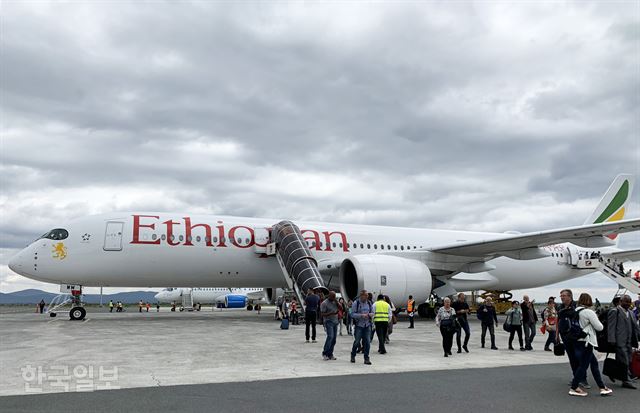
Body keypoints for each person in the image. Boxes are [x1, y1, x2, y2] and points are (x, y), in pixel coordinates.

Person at [569, 293, 613, 397]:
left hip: (577, 340)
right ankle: (574, 387)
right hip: (587, 341)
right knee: (583, 366)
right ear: (589, 301)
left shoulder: (575, 311)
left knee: (593, 363)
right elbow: (599, 327)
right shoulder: (588, 312)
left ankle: (602, 387)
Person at [607, 295, 640, 389]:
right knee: (624, 360)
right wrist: (612, 340)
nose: (628, 304)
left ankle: (618, 374)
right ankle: (626, 380)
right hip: (619, 341)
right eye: (626, 302)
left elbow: (635, 327)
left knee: (628, 359)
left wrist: (637, 337)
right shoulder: (615, 311)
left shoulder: (630, 312)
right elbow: (611, 327)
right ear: (621, 301)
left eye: (629, 302)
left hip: (629, 340)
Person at [557, 288, 587, 387]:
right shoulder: (560, 307)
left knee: (579, 357)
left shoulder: (576, 306)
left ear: (569, 296)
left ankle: (583, 379)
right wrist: (557, 335)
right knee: (571, 358)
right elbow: (558, 321)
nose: (561, 298)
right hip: (564, 336)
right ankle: (576, 378)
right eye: (561, 296)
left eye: (563, 296)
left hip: (575, 336)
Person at [350, 290, 373, 365]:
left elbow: (373, 312)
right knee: (357, 342)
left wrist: (370, 314)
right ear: (361, 296)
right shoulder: (356, 303)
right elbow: (352, 314)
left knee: (367, 342)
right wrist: (361, 315)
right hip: (359, 325)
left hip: (367, 325)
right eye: (365, 296)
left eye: (367, 296)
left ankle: (366, 358)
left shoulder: (369, 303)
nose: (367, 297)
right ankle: (353, 355)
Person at [320, 291, 339, 361]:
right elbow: (322, 314)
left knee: (334, 339)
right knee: (330, 336)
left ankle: (330, 353)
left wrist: (337, 302)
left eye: (335, 297)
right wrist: (330, 313)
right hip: (328, 322)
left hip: (335, 322)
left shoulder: (335, 302)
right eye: (332, 297)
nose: (334, 298)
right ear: (329, 296)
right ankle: (325, 353)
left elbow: (341, 308)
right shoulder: (324, 303)